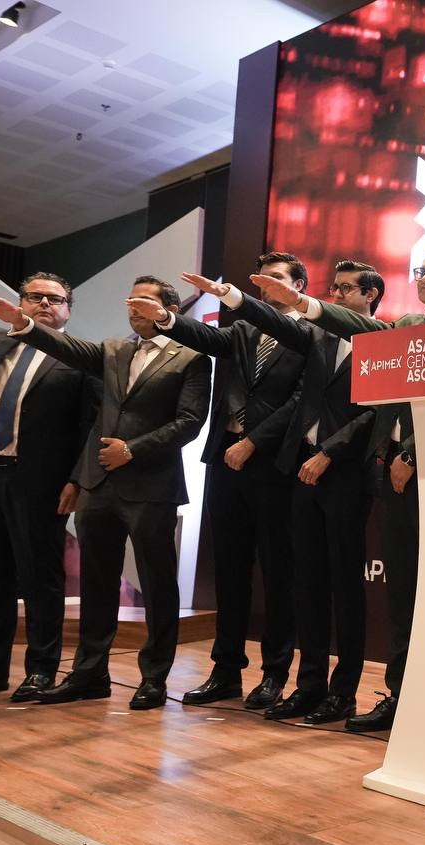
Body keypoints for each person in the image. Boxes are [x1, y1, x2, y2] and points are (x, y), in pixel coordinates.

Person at [248, 244, 425, 733]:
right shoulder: (406, 326)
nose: (424, 278)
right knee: (402, 591)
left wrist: (412, 452)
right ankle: (400, 693)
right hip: (390, 473)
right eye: (421, 270)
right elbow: (357, 329)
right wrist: (301, 303)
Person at [0, 277, 210, 711]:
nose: (133, 307)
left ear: (170, 310)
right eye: (130, 299)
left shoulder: (192, 357)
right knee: (97, 584)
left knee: (158, 585)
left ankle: (154, 678)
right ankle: (89, 674)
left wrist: (132, 450)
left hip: (151, 486)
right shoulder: (113, 350)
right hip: (99, 485)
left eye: (143, 300)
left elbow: (190, 422)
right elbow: (68, 349)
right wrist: (23, 324)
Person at [179, 261, 379, 726]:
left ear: (370, 295)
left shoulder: (382, 339)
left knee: (343, 589)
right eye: (334, 287)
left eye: (346, 289)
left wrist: (329, 451)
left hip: (344, 472)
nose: (336, 294)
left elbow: (375, 411)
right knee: (307, 584)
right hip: (300, 469)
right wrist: (230, 297)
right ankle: (309, 687)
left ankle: (342, 693)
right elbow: (271, 323)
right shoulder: (317, 336)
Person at [125, 253, 307, 711]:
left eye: (277, 278)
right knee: (228, 570)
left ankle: (274, 674)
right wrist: (166, 318)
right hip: (226, 461)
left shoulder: (311, 331)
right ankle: (226, 671)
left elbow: (302, 400)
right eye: (261, 279)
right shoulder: (245, 329)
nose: (266, 285)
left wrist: (254, 441)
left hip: (275, 464)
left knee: (278, 573)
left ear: (299, 285)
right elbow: (204, 337)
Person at [0, 273, 97, 702]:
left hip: (41, 484)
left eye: (55, 299)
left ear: (68, 310)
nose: (44, 304)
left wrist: (77, 480)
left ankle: (42, 670)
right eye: (35, 297)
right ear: (20, 303)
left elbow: (90, 426)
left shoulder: (81, 358)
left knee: (40, 578)